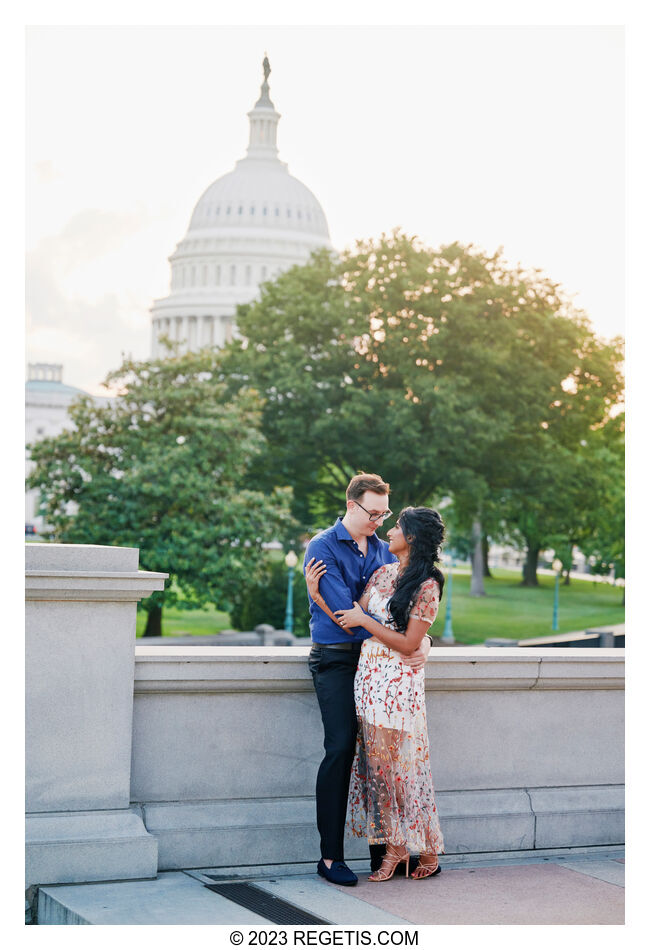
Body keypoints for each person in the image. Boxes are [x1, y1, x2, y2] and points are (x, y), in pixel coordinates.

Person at [304, 474, 433, 886]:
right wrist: (402, 640)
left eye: (384, 514)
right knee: (341, 749)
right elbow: (348, 621)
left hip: (380, 669)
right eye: (372, 512)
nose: (379, 520)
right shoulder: (322, 548)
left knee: (381, 758)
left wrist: (422, 640)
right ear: (351, 504)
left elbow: (402, 610)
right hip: (337, 662)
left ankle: (388, 852)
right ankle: (330, 858)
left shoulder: (384, 552)